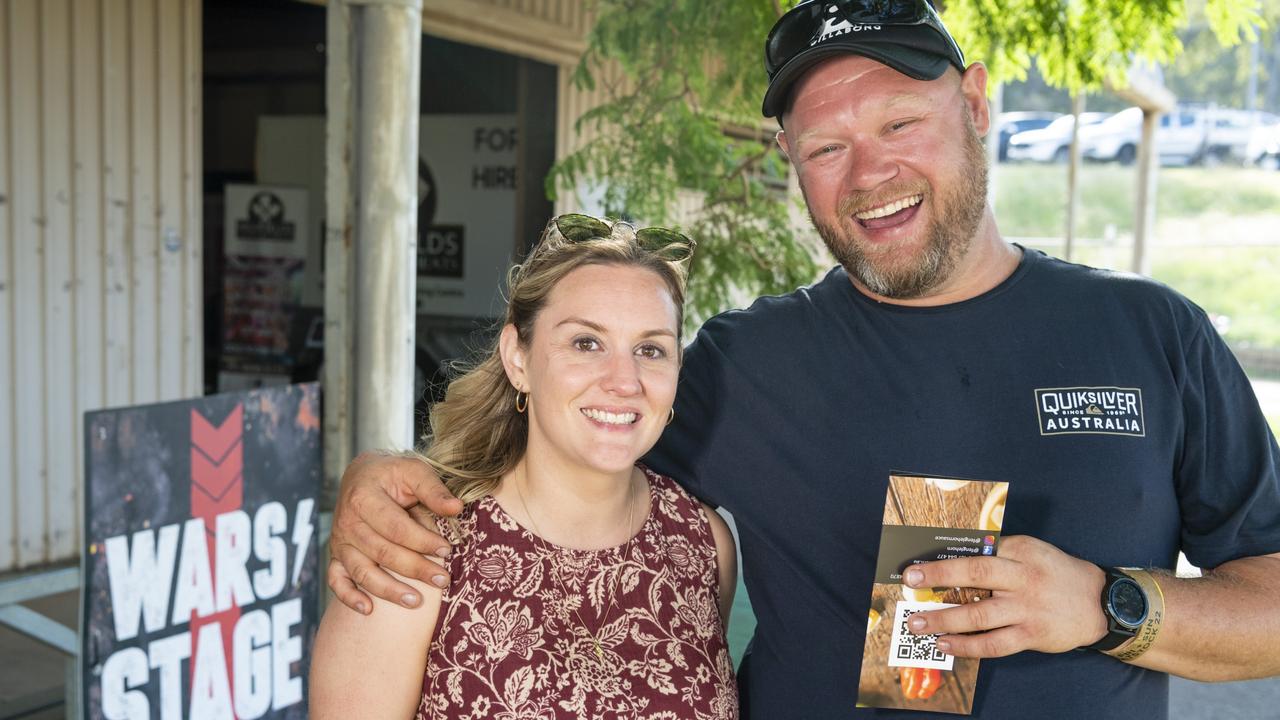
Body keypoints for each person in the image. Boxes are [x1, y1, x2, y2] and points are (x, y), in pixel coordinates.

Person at [324, 1, 1280, 717]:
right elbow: (574, 421)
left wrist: (1110, 606)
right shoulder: (747, 361)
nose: (870, 175)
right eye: (827, 146)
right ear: (790, 160)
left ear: (977, 103)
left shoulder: (1154, 334)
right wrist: (382, 476)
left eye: (901, 124)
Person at [310, 215, 739, 719]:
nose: (625, 380)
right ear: (518, 358)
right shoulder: (415, 551)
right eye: (586, 343)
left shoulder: (702, 544)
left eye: (651, 349)